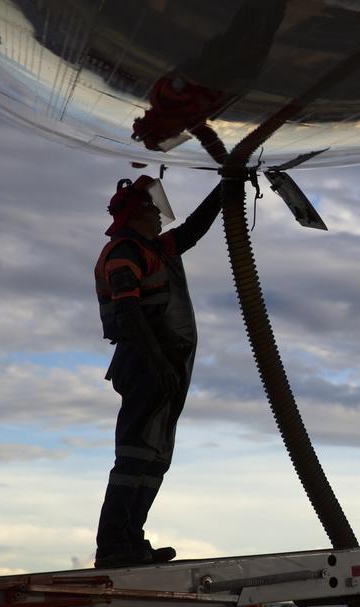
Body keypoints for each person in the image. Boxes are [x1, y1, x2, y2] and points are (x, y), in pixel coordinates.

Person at [92, 176, 222, 568]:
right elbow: (130, 313)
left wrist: (224, 189)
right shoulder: (124, 251)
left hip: (167, 365)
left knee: (153, 457)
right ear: (136, 214)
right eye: (152, 208)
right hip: (145, 362)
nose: (159, 215)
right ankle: (114, 546)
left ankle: (132, 540)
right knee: (134, 455)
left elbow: (192, 232)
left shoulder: (155, 248)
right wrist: (159, 363)